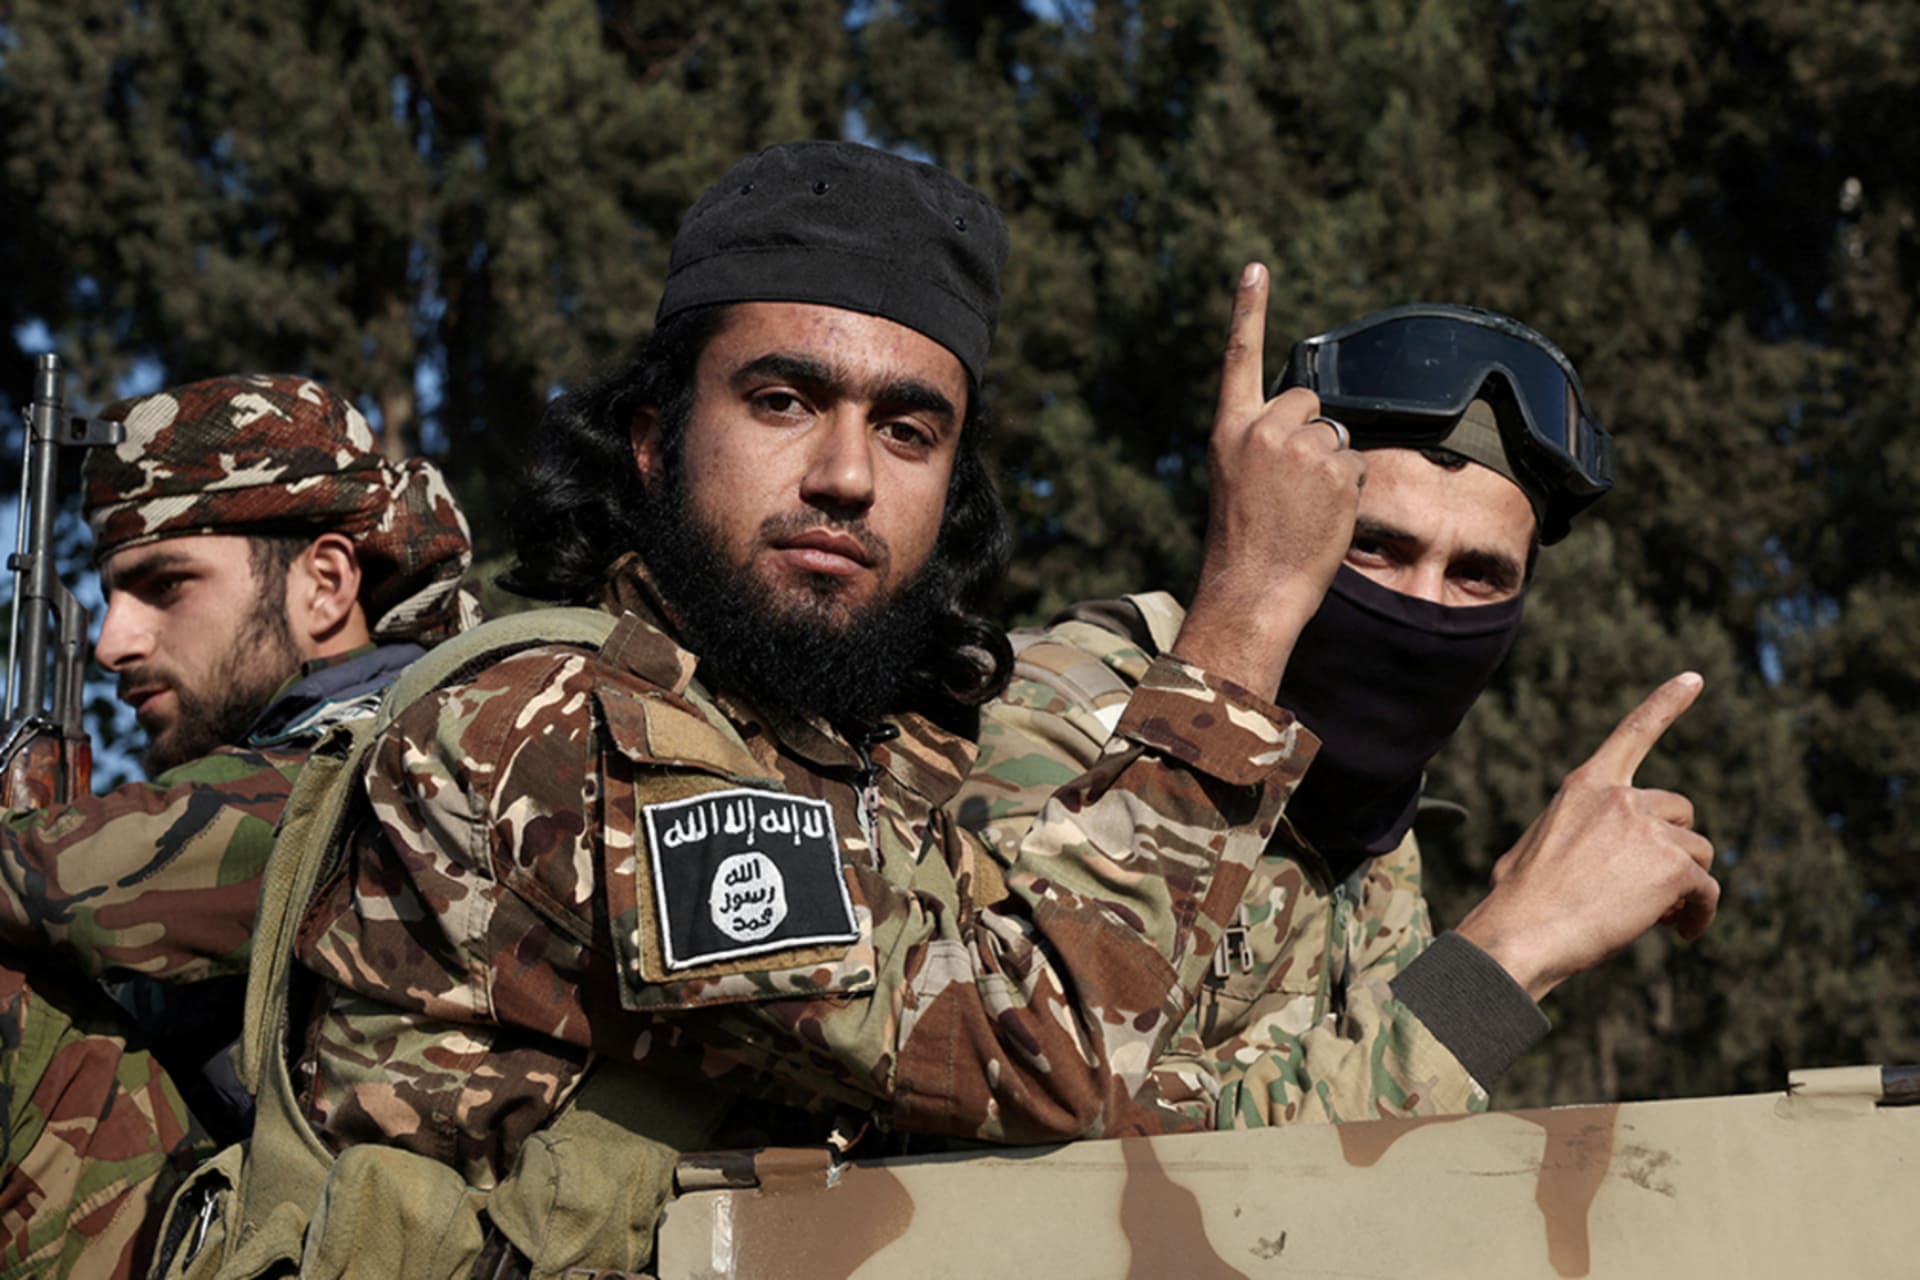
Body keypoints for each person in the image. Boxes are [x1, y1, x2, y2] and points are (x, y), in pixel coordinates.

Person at [181, 140, 1376, 1278]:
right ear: (653, 440)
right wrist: (1248, 611)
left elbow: (1102, 1099)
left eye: (908, 430)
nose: (847, 475)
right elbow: (1040, 1050)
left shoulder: (844, 747)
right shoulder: (559, 723)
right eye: (784, 400)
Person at [957, 292, 1719, 1131]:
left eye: (1477, 576)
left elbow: (1341, 1182)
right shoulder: (1053, 715)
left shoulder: (1380, 842)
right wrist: (1507, 955)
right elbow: (1087, 1136)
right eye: (1378, 547)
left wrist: (1522, 936)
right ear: (1298, 527)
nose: (1423, 607)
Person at [0, 373, 473, 1279]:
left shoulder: (399, 759)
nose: (112, 645)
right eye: (108, 596)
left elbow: (58, 876)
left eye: (163, 585)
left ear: (325, 584)